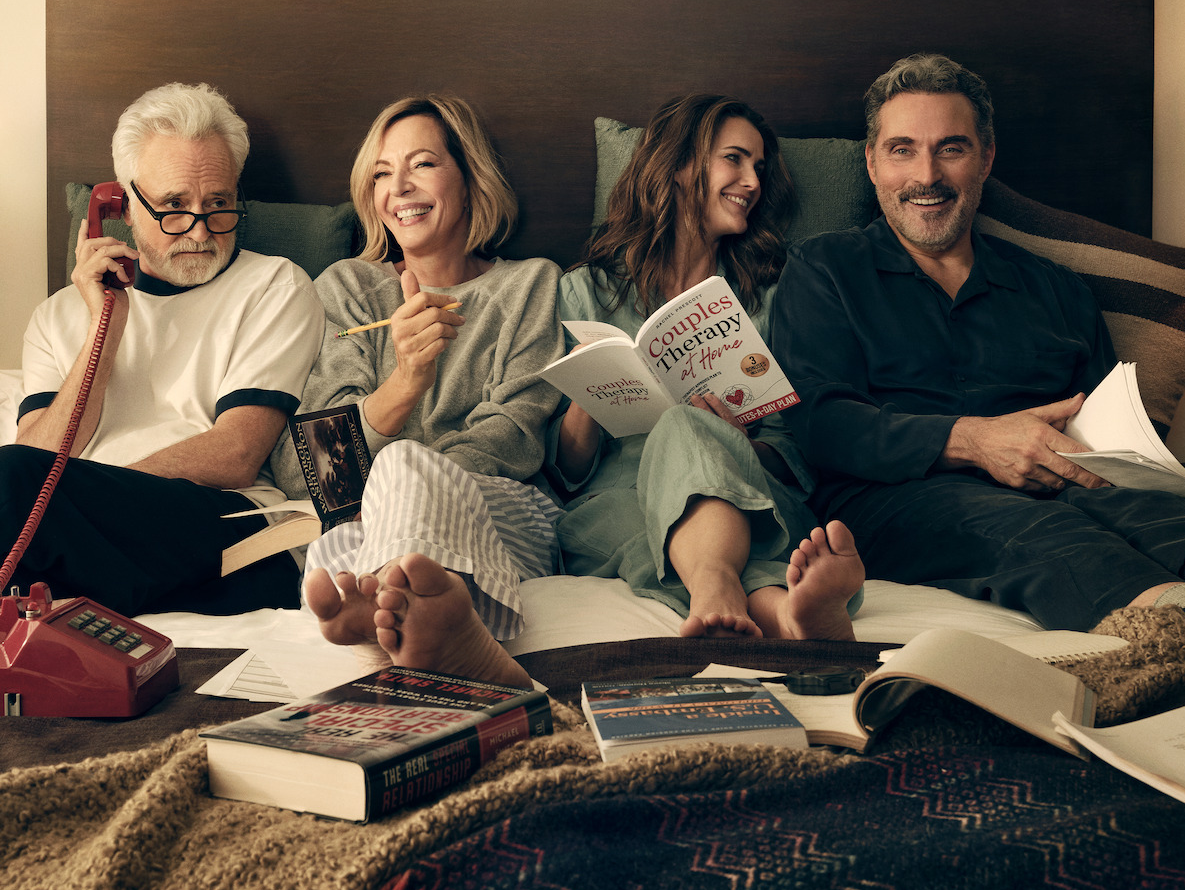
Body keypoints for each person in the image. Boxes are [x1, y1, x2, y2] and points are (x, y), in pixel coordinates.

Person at [770, 52, 1185, 632]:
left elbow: (1105, 436)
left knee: (1167, 515)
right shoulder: (824, 269)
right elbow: (819, 424)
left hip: (1059, 482)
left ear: (986, 159)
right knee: (1040, 531)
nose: (926, 175)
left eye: (951, 147)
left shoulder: (1058, 289)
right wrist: (975, 441)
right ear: (871, 164)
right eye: (902, 150)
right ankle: (1172, 639)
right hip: (899, 499)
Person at [550, 94, 865, 642]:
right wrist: (588, 392)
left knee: (688, 425)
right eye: (735, 160)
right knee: (642, 518)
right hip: (619, 493)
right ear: (677, 166)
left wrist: (736, 440)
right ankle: (787, 614)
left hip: (746, 484)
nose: (752, 182)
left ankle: (714, 588)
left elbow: (795, 445)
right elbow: (565, 471)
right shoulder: (583, 291)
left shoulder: (770, 294)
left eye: (759, 168)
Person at [6, 83, 324, 614]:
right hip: (81, 534)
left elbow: (236, 454)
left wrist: (86, 498)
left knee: (9, 482)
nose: (200, 230)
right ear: (122, 206)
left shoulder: (276, 286)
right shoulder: (57, 316)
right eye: (174, 207)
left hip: (224, 526)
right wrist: (104, 333)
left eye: (218, 204)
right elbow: (37, 455)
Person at [270, 95, 564, 655]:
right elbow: (306, 471)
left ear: (470, 177)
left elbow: (518, 439)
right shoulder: (347, 291)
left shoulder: (529, 286)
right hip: (366, 514)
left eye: (422, 164)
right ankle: (428, 627)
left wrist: (394, 485)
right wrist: (405, 382)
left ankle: (386, 604)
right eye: (382, 173)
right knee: (334, 544)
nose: (399, 188)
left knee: (397, 475)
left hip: (502, 510)